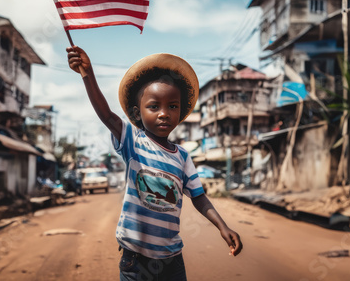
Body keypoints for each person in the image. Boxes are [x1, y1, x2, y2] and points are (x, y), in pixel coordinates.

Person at [67, 46, 242, 281]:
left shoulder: (183, 156)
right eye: (153, 106)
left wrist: (223, 226)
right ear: (138, 113)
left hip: (172, 259)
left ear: (180, 113)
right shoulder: (133, 142)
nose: (163, 113)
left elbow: (198, 197)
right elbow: (107, 115)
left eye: (172, 106)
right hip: (135, 260)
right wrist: (87, 74)